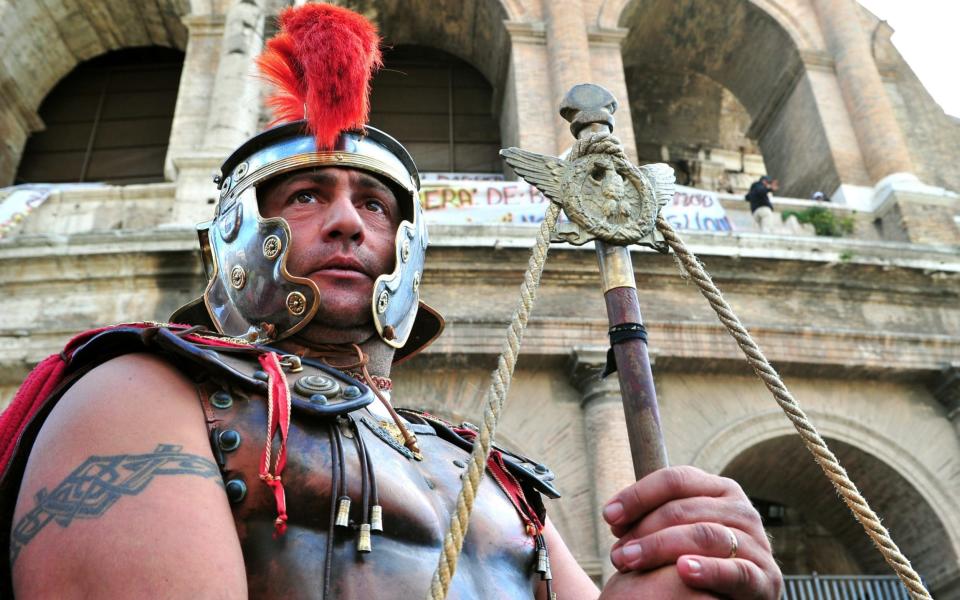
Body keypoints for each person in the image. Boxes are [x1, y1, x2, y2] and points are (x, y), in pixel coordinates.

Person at [1, 5, 782, 599]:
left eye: (376, 204)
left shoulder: (493, 473)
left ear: (408, 249)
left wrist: (679, 573)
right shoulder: (143, 393)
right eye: (306, 196)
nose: (347, 219)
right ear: (236, 237)